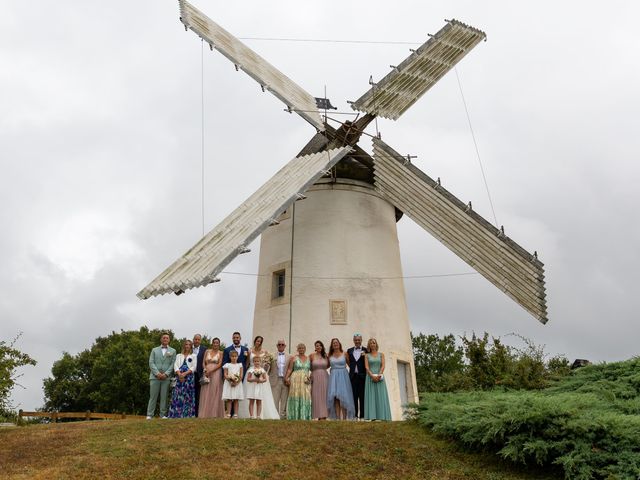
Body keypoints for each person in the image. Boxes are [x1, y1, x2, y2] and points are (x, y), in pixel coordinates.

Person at [238, 335, 280, 419]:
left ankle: (259, 415)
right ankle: (249, 415)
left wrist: (265, 371)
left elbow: (267, 363)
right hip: (251, 371)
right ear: (255, 341)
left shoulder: (265, 352)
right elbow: (247, 363)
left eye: (260, 341)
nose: (259, 342)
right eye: (257, 341)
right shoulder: (249, 351)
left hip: (261, 373)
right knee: (250, 395)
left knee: (261, 395)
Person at [146, 332, 176, 419]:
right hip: (155, 377)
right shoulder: (154, 350)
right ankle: (149, 415)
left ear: (169, 340)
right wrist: (157, 373)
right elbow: (151, 362)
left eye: (167, 338)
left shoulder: (173, 351)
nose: (165, 339)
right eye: (164, 338)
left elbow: (173, 364)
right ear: (161, 339)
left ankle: (163, 415)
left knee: (164, 397)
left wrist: (166, 374)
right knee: (153, 396)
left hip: (166, 378)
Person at [364, 338, 392, 421]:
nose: (372, 344)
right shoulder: (367, 355)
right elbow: (366, 367)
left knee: (381, 396)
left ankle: (383, 416)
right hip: (370, 378)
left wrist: (379, 375)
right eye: (371, 343)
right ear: (369, 345)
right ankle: (372, 416)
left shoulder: (381, 354)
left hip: (380, 378)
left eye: (374, 343)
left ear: (376, 344)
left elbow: (383, 365)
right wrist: (372, 376)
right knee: (372, 396)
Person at [327, 338, 355, 420]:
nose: (335, 344)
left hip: (343, 376)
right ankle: (338, 418)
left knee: (344, 396)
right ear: (332, 345)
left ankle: (344, 418)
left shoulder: (345, 353)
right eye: (333, 343)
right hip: (333, 376)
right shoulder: (329, 355)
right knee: (335, 397)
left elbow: (350, 365)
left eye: (336, 343)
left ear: (339, 344)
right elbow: (327, 365)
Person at [168, 339, 197, 418]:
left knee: (188, 395)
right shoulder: (178, 355)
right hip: (179, 377)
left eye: (189, 345)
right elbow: (175, 365)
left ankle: (187, 414)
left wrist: (185, 373)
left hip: (189, 378)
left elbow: (194, 367)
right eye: (186, 344)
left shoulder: (193, 356)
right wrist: (179, 374)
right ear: (184, 346)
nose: (187, 346)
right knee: (178, 395)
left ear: (191, 346)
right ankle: (176, 414)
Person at [198, 337, 225, 418]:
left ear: (219, 344)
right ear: (212, 343)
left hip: (216, 373)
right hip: (206, 373)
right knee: (206, 392)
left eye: (217, 343)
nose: (215, 344)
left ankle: (214, 413)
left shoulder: (221, 353)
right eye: (214, 342)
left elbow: (220, 364)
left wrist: (211, 371)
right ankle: (205, 413)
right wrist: (205, 369)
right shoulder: (207, 351)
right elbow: (203, 362)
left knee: (214, 391)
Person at [285, 343, 311, 420]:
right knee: (295, 395)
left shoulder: (308, 358)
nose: (301, 349)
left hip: (305, 380)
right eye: (299, 348)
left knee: (305, 395)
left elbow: (311, 370)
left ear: (305, 349)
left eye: (302, 348)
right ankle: (294, 416)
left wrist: (310, 378)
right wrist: (286, 378)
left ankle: (304, 416)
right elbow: (290, 369)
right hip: (295, 379)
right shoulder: (293, 358)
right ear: (297, 349)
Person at [347, 333, 367, 421]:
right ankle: (355, 416)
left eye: (359, 340)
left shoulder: (366, 350)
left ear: (361, 340)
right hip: (353, 377)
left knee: (362, 397)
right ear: (353, 341)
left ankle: (362, 416)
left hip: (362, 376)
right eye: (355, 340)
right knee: (354, 397)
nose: (357, 341)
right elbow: (349, 362)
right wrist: (352, 369)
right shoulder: (349, 350)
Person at [269, 339, 290, 419]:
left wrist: (288, 378)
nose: (281, 346)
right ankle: (275, 415)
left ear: (285, 346)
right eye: (279, 344)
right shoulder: (271, 355)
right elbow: (267, 368)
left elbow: (290, 369)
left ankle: (283, 416)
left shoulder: (289, 356)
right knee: (275, 399)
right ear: (277, 346)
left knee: (284, 399)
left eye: (282, 344)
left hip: (285, 380)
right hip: (275, 379)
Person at [310, 340, 329, 420]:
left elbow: (328, 365)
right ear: (315, 347)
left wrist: (322, 369)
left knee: (324, 396)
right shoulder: (311, 355)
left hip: (324, 377)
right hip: (315, 377)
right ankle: (317, 415)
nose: (318, 347)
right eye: (317, 345)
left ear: (322, 347)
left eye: (320, 345)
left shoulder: (326, 355)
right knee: (316, 396)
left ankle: (324, 415)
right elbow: (308, 366)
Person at [222, 350, 244, 418]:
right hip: (229, 383)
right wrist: (230, 380)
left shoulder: (240, 365)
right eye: (232, 356)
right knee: (229, 399)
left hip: (237, 383)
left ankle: (235, 414)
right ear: (230, 357)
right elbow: (225, 374)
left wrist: (236, 382)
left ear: (237, 357)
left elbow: (241, 375)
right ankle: (228, 413)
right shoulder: (227, 365)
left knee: (236, 399)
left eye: (235, 356)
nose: (234, 358)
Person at [192, 333, 206, 416]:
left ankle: (198, 413)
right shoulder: (189, 348)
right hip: (190, 375)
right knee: (190, 393)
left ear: (200, 341)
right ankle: (190, 412)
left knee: (199, 395)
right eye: (195, 339)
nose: (197, 341)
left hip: (200, 375)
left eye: (198, 339)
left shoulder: (204, 349)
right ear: (193, 340)